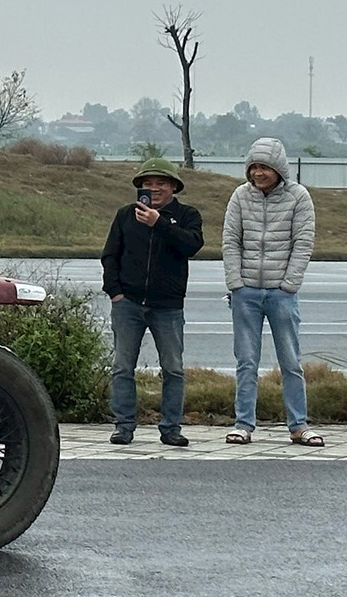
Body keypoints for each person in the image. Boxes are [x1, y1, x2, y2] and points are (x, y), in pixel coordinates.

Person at [223, 137, 323, 446]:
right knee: (246, 360)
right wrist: (235, 283)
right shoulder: (240, 196)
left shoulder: (299, 197)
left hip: (282, 294)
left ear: (278, 168)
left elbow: (303, 242)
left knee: (290, 361)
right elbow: (230, 240)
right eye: (253, 167)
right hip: (246, 293)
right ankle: (243, 424)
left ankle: (298, 424)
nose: (257, 174)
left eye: (264, 167)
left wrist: (289, 284)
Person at [100, 156, 203, 446]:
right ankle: (123, 426)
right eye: (148, 184)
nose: (154, 189)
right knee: (122, 366)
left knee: (173, 368)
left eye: (161, 183)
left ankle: (171, 427)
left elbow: (191, 245)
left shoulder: (187, 215)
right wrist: (115, 292)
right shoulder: (124, 215)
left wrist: (159, 223)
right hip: (128, 303)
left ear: (173, 187)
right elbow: (110, 255)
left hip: (168, 306)